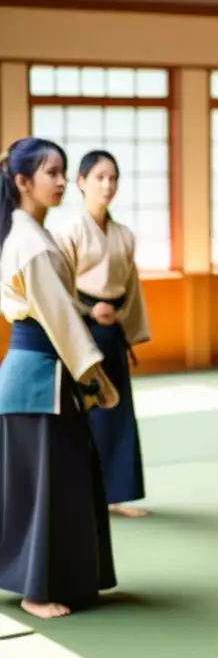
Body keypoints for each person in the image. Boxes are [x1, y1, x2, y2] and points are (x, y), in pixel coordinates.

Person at [0, 138, 120, 620]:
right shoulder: (30, 242)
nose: (60, 181)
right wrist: (97, 378)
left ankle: (46, 579)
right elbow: (62, 322)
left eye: (62, 171)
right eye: (51, 172)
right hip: (39, 379)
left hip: (34, 377)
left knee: (48, 482)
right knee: (50, 484)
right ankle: (37, 589)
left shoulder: (27, 234)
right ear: (22, 181)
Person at [50, 150, 151, 518]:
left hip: (111, 331)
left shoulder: (124, 235)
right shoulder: (68, 232)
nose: (107, 185)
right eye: (99, 178)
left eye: (113, 178)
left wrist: (122, 318)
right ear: (81, 183)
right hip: (80, 330)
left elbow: (132, 288)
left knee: (117, 412)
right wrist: (89, 310)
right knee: (83, 413)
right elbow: (57, 289)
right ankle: (79, 494)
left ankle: (114, 496)